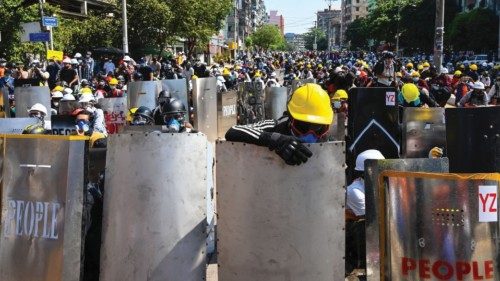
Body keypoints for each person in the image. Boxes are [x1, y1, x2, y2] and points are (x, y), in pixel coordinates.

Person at [225, 83, 333, 166]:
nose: (310, 134)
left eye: (318, 128)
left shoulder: (331, 143)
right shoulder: (275, 126)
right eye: (303, 127)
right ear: (291, 119)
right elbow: (233, 131)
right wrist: (276, 139)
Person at [345, 149, 385, 274]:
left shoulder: (377, 185)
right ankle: (362, 264)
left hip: (370, 225)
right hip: (354, 234)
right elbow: (372, 217)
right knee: (365, 225)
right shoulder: (355, 191)